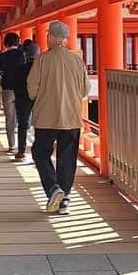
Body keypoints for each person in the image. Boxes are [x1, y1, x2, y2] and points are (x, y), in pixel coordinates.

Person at [28, 21, 89, 215]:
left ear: (53, 38)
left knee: (40, 153)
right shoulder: (77, 60)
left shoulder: (42, 60)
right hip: (71, 117)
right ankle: (65, 200)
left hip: (46, 117)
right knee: (67, 158)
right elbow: (85, 89)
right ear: (66, 38)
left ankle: (54, 188)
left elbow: (31, 90)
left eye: (48, 35)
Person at [0, 33, 26, 153]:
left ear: (5, 43)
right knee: (23, 118)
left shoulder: (3, 56)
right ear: (18, 42)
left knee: (10, 118)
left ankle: (12, 145)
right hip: (22, 89)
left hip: (7, 88)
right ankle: (23, 145)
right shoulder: (23, 55)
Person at [12, 43, 39, 161]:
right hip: (39, 98)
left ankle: (21, 151)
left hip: (23, 99)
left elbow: (15, 85)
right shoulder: (40, 69)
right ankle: (38, 151)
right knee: (39, 124)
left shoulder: (20, 68)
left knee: (23, 125)